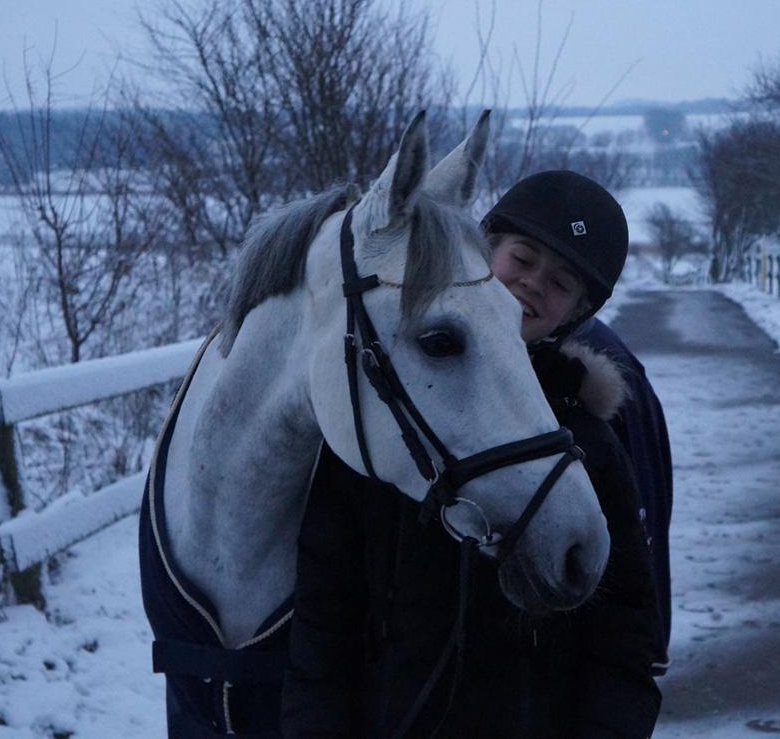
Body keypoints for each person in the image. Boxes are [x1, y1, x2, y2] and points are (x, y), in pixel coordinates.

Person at [282, 170, 672, 737]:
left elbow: (624, 637)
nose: (533, 283)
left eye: (560, 282)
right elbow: (323, 617)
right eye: (523, 258)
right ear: (483, 251)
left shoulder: (590, 446)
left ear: (576, 312)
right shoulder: (392, 409)